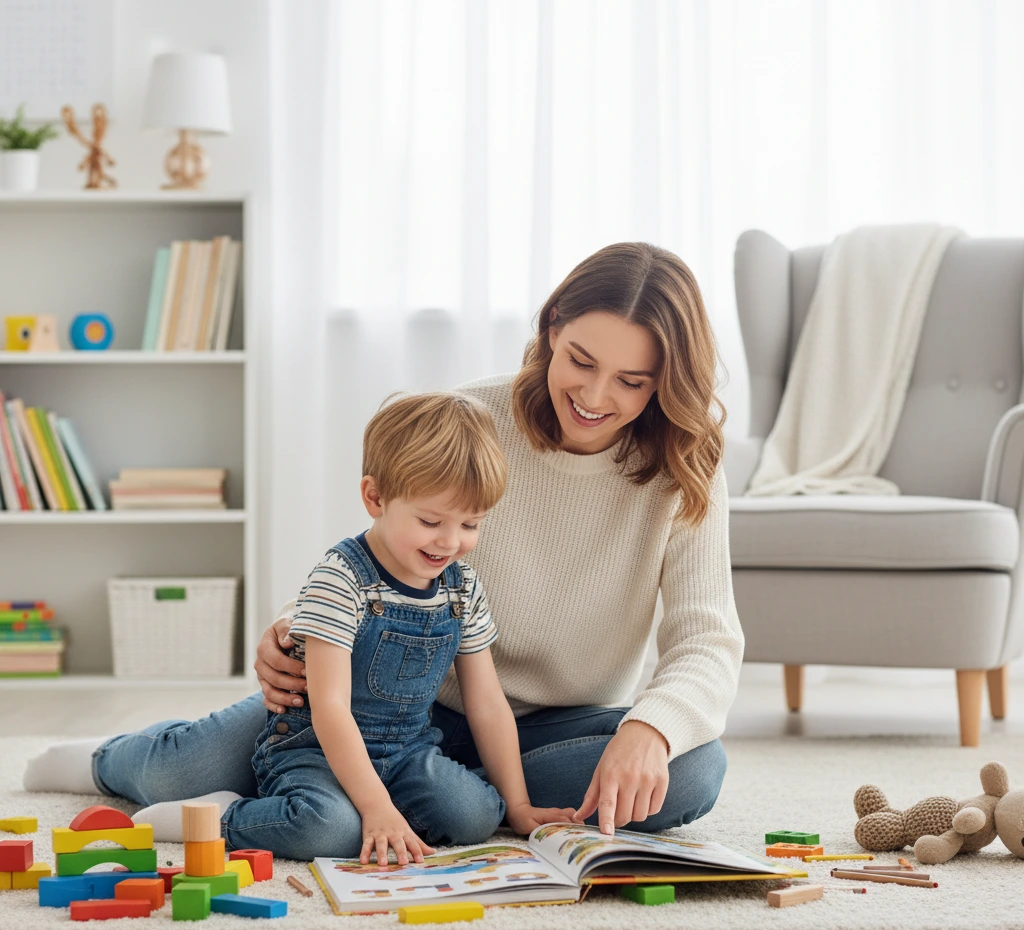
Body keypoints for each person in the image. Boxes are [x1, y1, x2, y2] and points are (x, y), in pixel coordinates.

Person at [25, 241, 743, 842]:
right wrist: (297, 627)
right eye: (581, 361)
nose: (595, 397)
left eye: (631, 381)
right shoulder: (472, 419)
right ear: (553, 326)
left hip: (548, 730)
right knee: (181, 774)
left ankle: (430, 797)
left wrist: (651, 730)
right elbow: (380, 545)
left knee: (691, 769)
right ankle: (108, 760)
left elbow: (708, 640)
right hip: (384, 697)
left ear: (664, 382)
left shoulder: (684, 468)